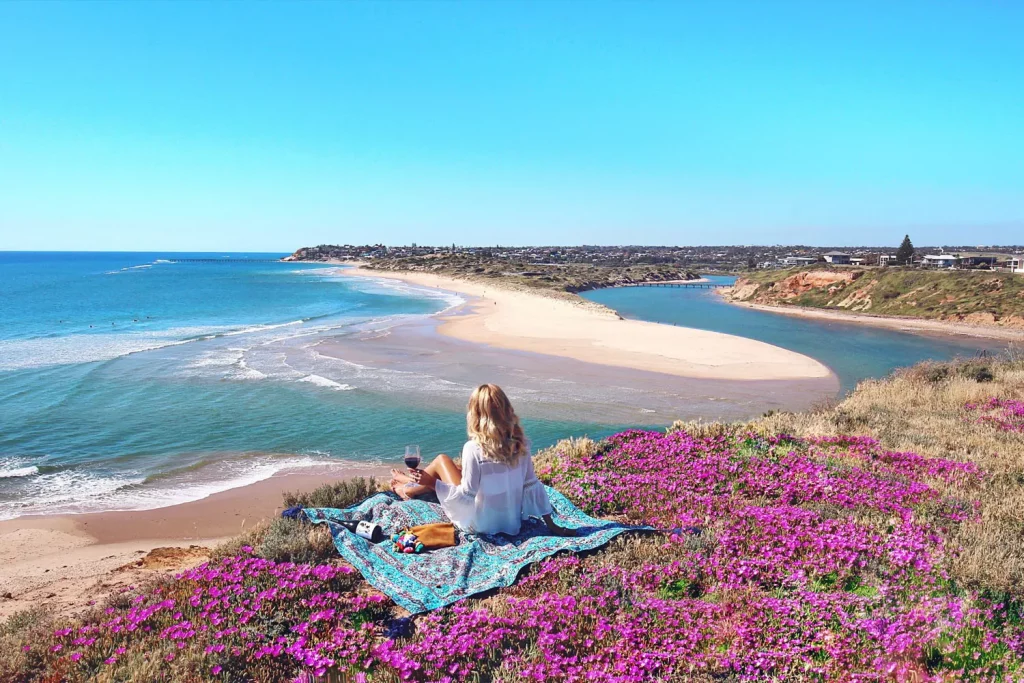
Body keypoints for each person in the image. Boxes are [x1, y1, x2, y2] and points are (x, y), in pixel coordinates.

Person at [390, 384, 574, 537]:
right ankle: (408, 483)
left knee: (442, 460)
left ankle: (409, 489)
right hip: (511, 523)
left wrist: (433, 483)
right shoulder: (521, 444)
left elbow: (465, 497)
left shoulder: (473, 448)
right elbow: (532, 485)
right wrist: (553, 526)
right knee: (460, 469)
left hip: (480, 524)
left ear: (475, 414)